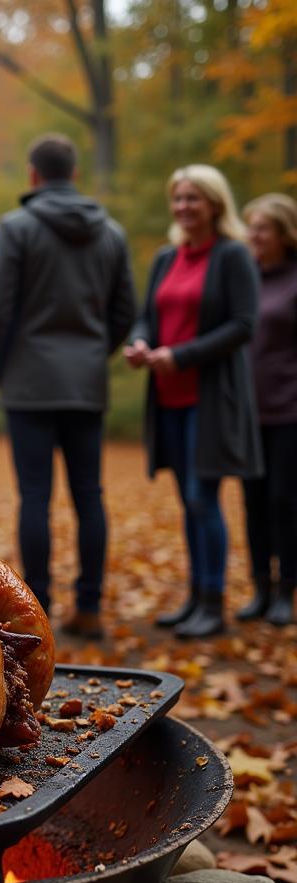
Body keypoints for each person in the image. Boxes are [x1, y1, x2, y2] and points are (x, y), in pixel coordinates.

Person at [0, 133, 135, 639]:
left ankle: (39, 609)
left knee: (34, 496)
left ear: (33, 175)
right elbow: (124, 313)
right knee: (89, 494)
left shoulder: (17, 227)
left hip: (29, 380)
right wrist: (94, 354)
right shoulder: (111, 233)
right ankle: (89, 606)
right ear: (74, 174)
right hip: (86, 382)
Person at [125, 165, 262, 638]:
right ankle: (194, 599)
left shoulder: (233, 257)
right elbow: (147, 317)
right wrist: (142, 345)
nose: (184, 207)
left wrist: (180, 355)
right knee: (188, 500)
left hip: (212, 399)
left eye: (194, 199)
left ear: (215, 204)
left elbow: (243, 325)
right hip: (169, 398)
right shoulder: (166, 258)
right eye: (178, 198)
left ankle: (213, 601)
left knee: (204, 498)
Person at [236, 194, 297, 627]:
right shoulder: (245, 279)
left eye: (262, 228)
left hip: (290, 409)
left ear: (283, 234)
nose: (253, 236)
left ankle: (285, 591)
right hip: (247, 411)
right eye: (250, 227)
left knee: (284, 500)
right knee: (253, 502)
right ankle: (259, 587)